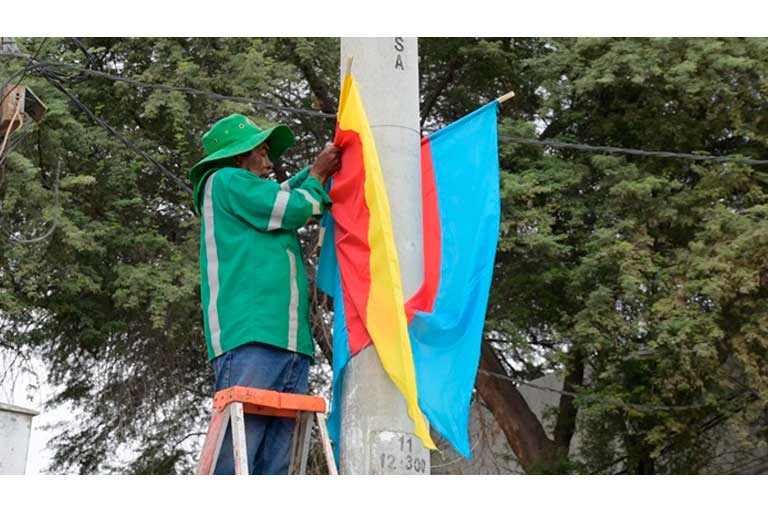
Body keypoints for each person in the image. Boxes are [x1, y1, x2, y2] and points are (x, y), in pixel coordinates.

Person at [188, 113, 341, 474]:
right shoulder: (224, 180)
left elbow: (285, 194)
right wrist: (318, 174)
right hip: (251, 336)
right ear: (238, 157)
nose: (270, 163)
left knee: (276, 466)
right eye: (261, 152)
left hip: (286, 341)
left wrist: (316, 171)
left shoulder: (244, 194)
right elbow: (294, 206)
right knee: (239, 458)